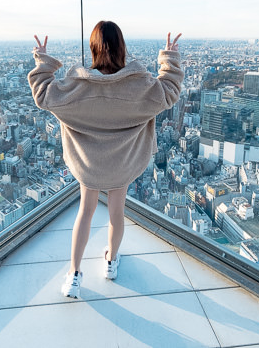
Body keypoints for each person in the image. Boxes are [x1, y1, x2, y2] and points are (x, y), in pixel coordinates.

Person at [28, 21, 183, 299]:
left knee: (85, 213)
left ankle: (74, 274)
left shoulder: (77, 88)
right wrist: (169, 58)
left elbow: (43, 94)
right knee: (116, 213)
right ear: (122, 47)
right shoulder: (139, 87)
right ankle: (111, 262)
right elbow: (169, 91)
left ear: (93, 48)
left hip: (89, 166)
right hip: (122, 164)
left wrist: (44, 61)